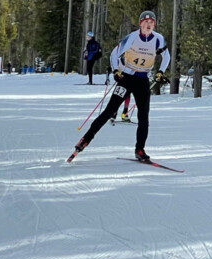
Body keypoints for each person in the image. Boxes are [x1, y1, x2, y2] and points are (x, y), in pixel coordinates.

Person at [69, 11, 169, 163]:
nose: (148, 25)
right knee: (109, 111)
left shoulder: (158, 39)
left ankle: (140, 149)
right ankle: (85, 140)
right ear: (140, 23)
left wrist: (161, 71)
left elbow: (166, 56)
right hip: (126, 78)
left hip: (142, 81)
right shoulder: (132, 37)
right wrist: (116, 70)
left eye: (151, 22)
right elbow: (114, 54)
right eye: (145, 22)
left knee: (144, 116)